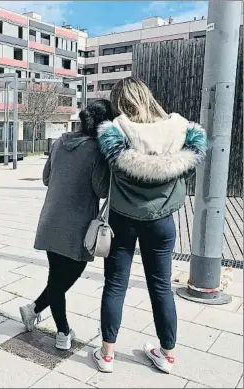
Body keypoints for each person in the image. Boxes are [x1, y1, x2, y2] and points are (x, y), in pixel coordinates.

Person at [93, 77, 207, 374]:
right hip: (162, 222)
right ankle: (166, 355)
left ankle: (106, 355)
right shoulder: (179, 128)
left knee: (115, 285)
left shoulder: (116, 131)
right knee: (161, 287)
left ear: (119, 101)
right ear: (148, 96)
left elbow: (103, 177)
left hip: (122, 220)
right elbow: (195, 154)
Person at [19, 99, 114, 350]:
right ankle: (62, 333)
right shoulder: (97, 150)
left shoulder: (60, 142)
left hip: (52, 219)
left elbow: (46, 177)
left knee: (57, 276)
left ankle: (34, 309)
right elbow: (102, 189)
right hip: (78, 225)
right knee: (64, 278)